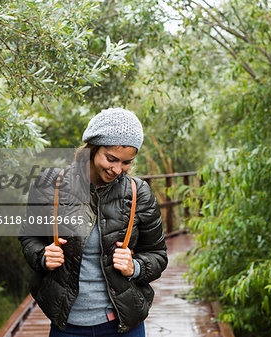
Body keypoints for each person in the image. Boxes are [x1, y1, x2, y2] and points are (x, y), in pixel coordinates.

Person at [19, 108, 167, 336]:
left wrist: (135, 267)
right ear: (92, 149)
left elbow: (157, 254)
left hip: (124, 325)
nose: (118, 170)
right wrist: (42, 256)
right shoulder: (50, 185)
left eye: (127, 163)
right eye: (111, 159)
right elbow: (29, 236)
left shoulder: (140, 193)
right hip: (67, 325)